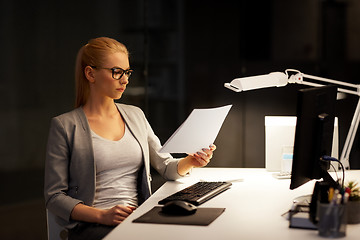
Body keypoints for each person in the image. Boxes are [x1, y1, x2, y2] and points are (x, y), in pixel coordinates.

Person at [44, 37, 216, 240]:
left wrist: (191, 162)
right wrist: (102, 215)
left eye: (127, 72)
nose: (125, 80)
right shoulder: (64, 126)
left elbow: (166, 166)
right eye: (116, 72)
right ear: (90, 73)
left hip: (140, 218)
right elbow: (54, 197)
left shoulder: (136, 115)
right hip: (93, 225)